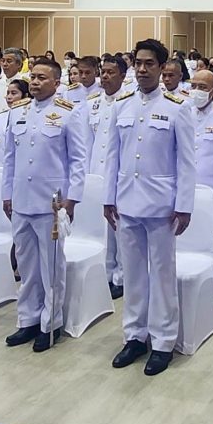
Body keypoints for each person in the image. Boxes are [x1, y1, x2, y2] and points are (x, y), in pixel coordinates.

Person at [104, 39, 195, 376]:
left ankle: (163, 341)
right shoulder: (122, 105)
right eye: (138, 63)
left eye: (149, 64)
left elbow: (187, 161)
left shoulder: (177, 107)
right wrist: (108, 197)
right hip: (126, 202)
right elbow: (112, 155)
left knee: (162, 275)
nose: (142, 69)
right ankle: (134, 336)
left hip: (161, 206)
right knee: (133, 275)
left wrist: (184, 205)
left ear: (161, 67)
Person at [1, 58, 88, 352]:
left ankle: (50, 324)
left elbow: (78, 160)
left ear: (56, 82)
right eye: (33, 77)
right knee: (26, 266)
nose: (35, 82)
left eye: (42, 78)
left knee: (51, 268)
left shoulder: (68, 112)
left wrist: (72, 199)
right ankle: (27, 319)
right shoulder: (17, 112)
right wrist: (7, 194)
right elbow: (10, 158)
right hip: (21, 199)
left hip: (51, 202)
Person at [88, 55, 129, 299]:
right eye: (103, 71)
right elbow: (86, 142)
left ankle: (121, 277)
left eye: (111, 72)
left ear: (123, 76)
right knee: (101, 228)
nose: (105, 76)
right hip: (96, 173)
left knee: (119, 228)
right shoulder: (92, 103)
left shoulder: (128, 102)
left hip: (119, 175)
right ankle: (105, 272)